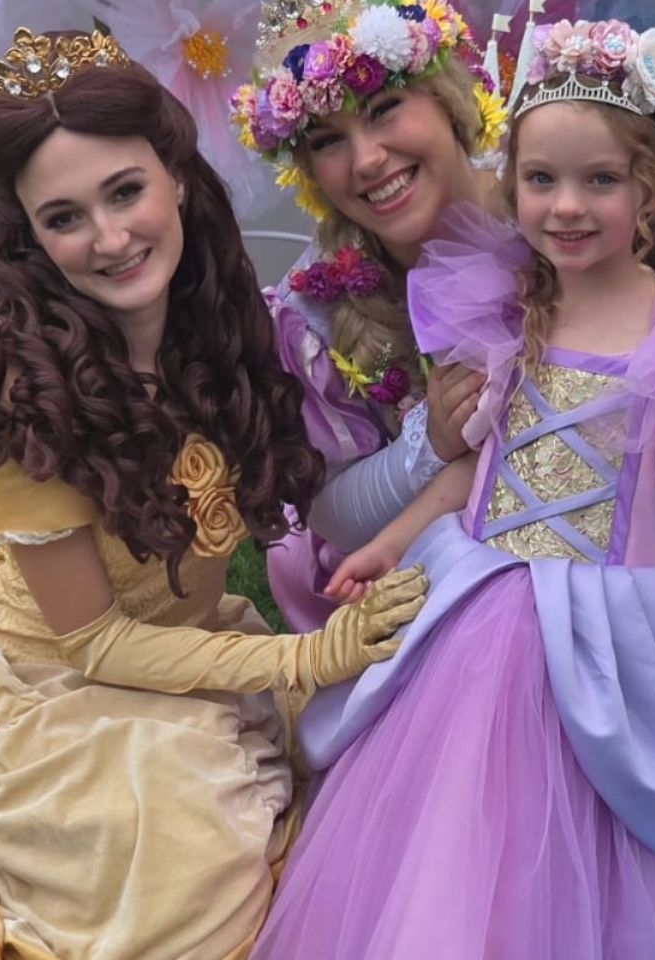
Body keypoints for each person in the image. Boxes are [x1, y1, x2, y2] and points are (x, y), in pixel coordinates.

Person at [238, 19, 655, 960]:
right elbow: (478, 469)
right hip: (484, 601)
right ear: (516, 185)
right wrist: (398, 542)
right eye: (543, 181)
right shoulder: (516, 305)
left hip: (611, 619)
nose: (565, 206)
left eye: (598, 182)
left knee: (579, 845)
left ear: (649, 190)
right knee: (452, 820)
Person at [0, 27, 425, 960]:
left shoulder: (229, 331)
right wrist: (297, 662)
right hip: (57, 678)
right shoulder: (26, 396)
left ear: (179, 184)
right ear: (31, 239)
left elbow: (313, 489)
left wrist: (435, 450)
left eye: (124, 192)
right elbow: (98, 644)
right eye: (65, 217)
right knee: (192, 877)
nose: (108, 238)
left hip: (192, 650)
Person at [230, 0, 508, 635]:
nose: (368, 161)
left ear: (448, 99)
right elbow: (330, 516)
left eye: (384, 110)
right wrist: (430, 444)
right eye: (328, 141)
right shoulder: (314, 307)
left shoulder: (552, 204)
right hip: (404, 578)